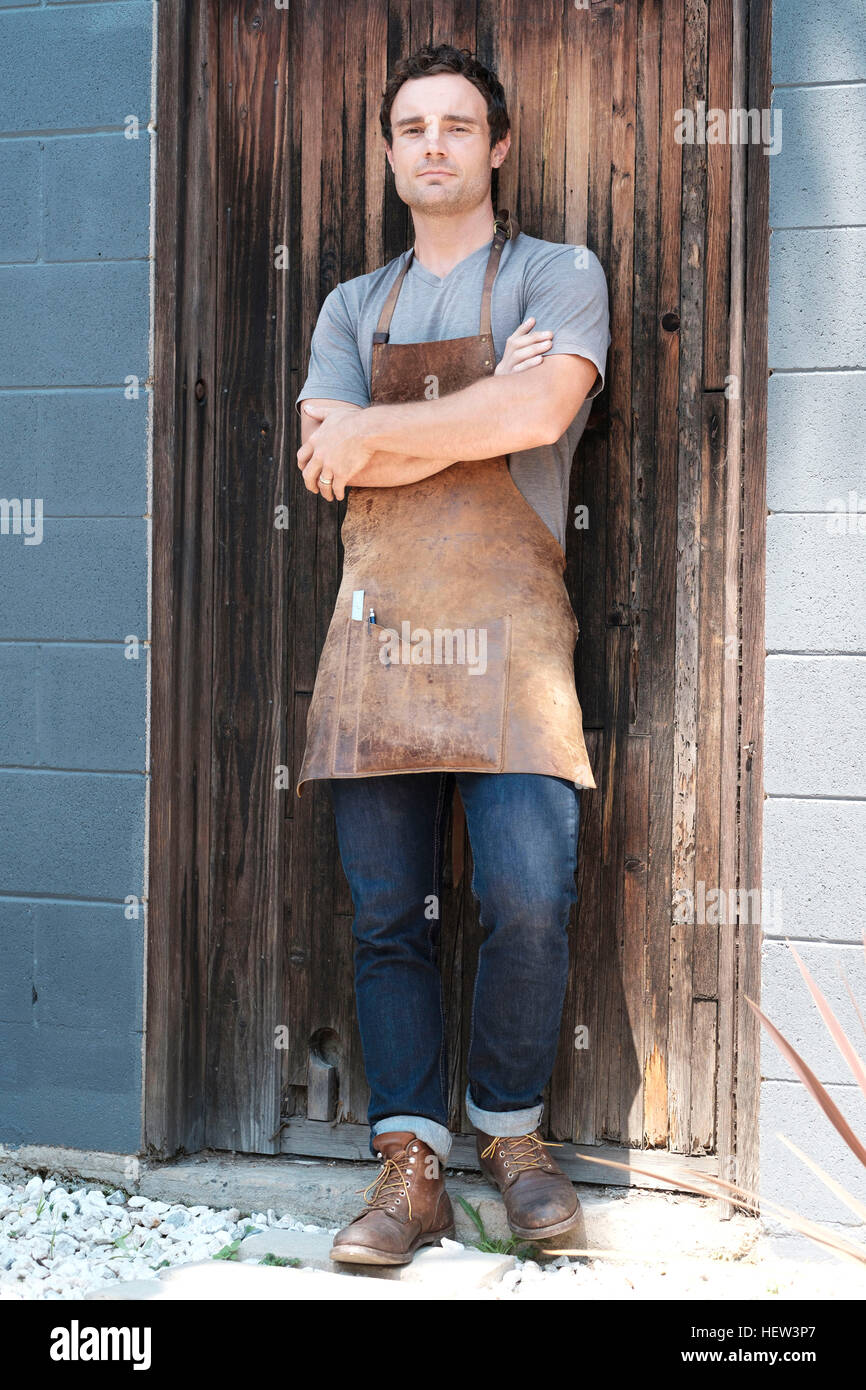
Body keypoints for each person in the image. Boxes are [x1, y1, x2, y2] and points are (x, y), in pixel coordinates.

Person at [294, 42, 610, 1266]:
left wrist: (385, 426)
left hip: (511, 637)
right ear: (387, 154)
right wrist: (463, 408)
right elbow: (324, 464)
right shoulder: (347, 306)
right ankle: (409, 1165)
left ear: (497, 148)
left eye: (456, 124)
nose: (432, 143)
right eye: (411, 126)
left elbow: (535, 417)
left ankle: (513, 1136)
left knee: (527, 899)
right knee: (387, 916)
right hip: (375, 639)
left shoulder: (557, 272)